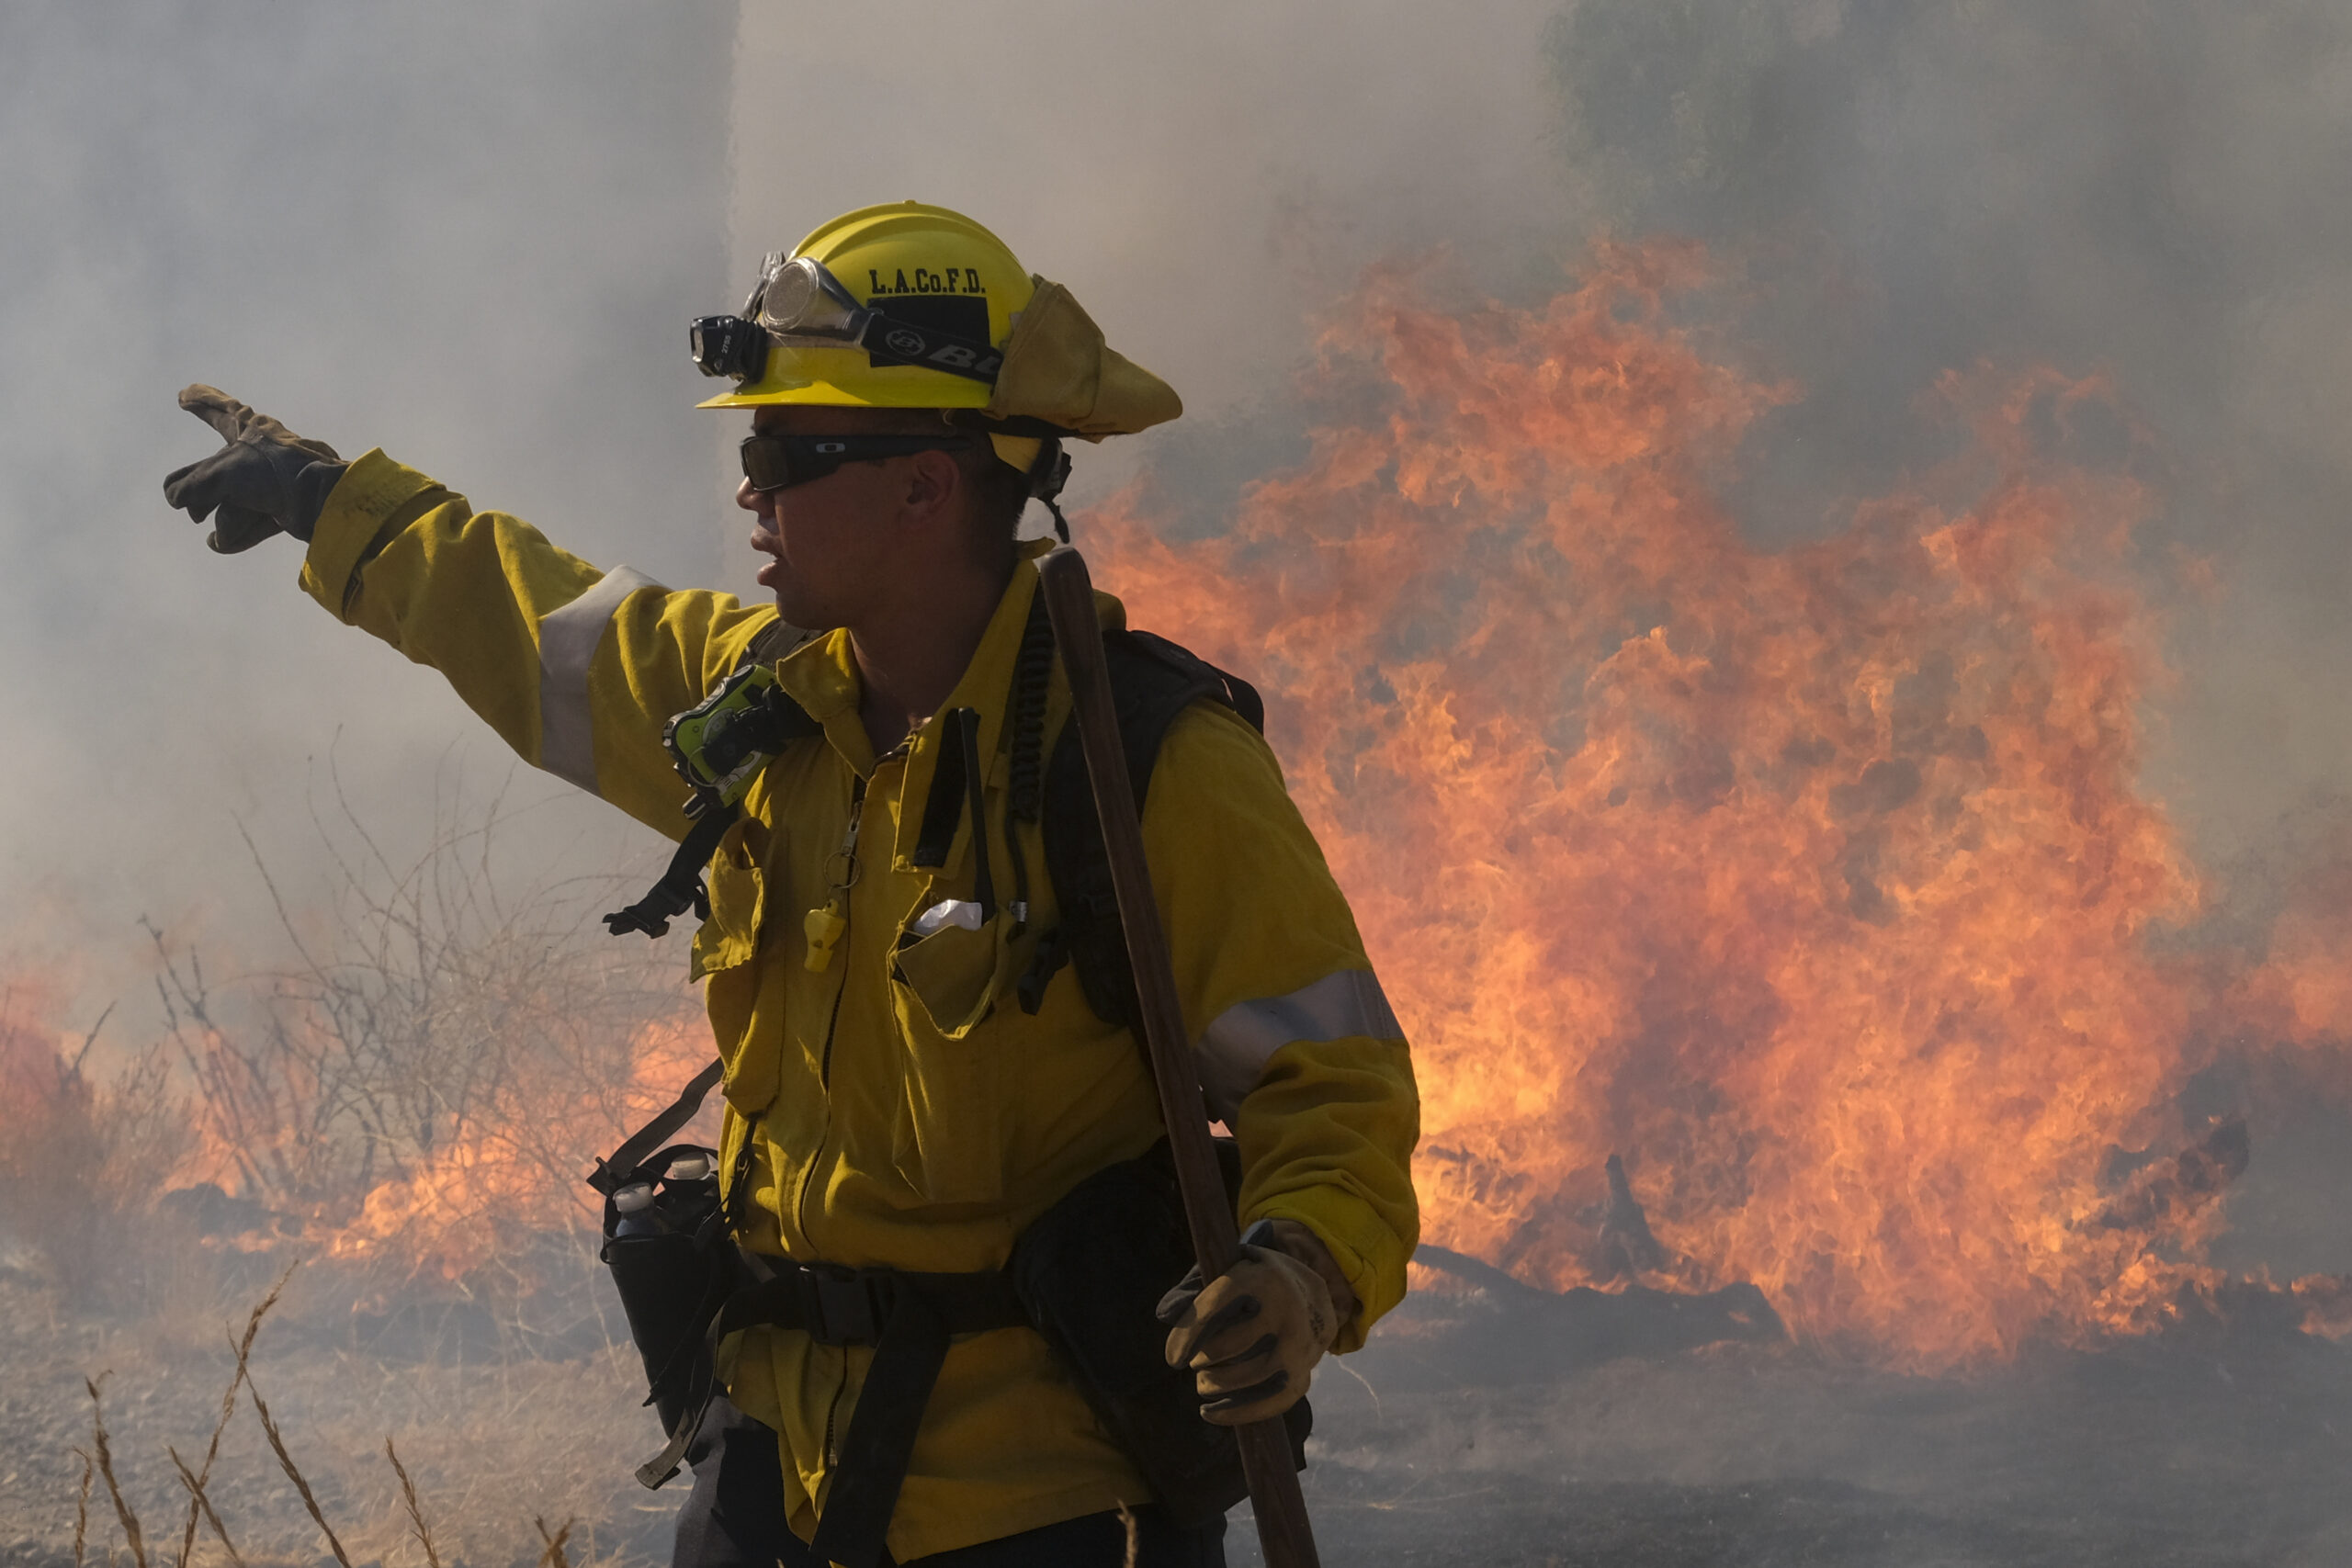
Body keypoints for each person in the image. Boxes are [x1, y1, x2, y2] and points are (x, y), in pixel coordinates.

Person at [162, 200, 1419, 1568]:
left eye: (787, 452)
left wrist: (1298, 1271)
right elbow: (535, 627)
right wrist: (323, 500)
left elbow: (1335, 1095)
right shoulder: (761, 711)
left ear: (928, 486)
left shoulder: (1143, 762)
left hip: (1036, 1503)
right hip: (774, 1469)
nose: (749, 489)